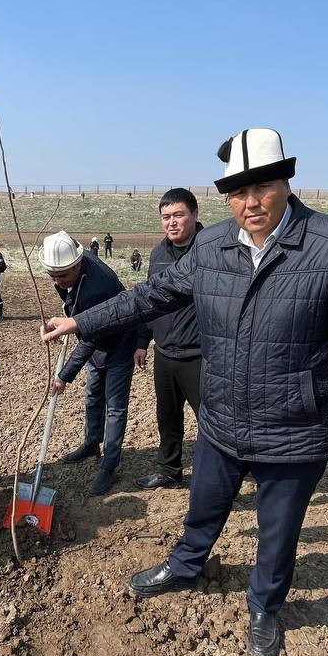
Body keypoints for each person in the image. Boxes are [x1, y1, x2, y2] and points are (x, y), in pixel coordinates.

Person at [40, 128, 328, 656]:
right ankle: (185, 565)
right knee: (203, 506)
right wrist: (82, 322)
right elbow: (152, 295)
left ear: (286, 182)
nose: (251, 203)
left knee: (277, 531)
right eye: (238, 192)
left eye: (262, 187)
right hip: (222, 416)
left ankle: (265, 606)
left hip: (295, 425)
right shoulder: (212, 245)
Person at [42, 231, 138, 496]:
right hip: (96, 345)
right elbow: (75, 307)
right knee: (93, 396)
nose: (58, 282)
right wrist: (66, 320)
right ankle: (91, 443)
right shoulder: (70, 267)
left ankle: (109, 465)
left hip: (119, 344)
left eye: (63, 276)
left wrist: (64, 375)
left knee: (115, 407)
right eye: (53, 276)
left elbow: (90, 338)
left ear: (77, 265)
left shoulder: (98, 288)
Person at [133, 188, 204, 490]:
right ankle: (169, 471)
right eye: (166, 217)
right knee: (167, 417)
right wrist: (142, 340)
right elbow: (151, 300)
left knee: (212, 420)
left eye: (178, 215)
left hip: (201, 354)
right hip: (165, 353)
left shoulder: (211, 250)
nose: (172, 222)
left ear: (194, 214)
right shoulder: (158, 254)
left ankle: (223, 473)